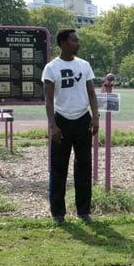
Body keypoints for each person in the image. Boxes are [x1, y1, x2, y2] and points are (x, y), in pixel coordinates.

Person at [42, 28, 99, 224]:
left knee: (84, 167)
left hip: (83, 119)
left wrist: (95, 117)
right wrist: (52, 125)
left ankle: (84, 211)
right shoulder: (51, 68)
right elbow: (48, 100)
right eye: (75, 40)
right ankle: (58, 214)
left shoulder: (84, 65)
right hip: (61, 121)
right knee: (58, 169)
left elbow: (92, 93)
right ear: (65, 43)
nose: (78, 43)